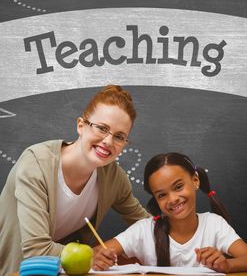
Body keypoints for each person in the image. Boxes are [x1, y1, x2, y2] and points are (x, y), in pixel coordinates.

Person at [0, 85, 149, 275]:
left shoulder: (114, 177)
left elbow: (144, 224)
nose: (108, 142)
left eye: (119, 137)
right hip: (14, 270)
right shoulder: (36, 164)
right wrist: (90, 255)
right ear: (81, 125)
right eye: (102, 128)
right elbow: (35, 249)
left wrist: (194, 240)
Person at [93, 152, 247, 273]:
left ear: (195, 180)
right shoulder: (144, 230)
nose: (172, 199)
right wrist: (97, 257)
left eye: (178, 187)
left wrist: (226, 264)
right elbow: (97, 252)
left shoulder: (214, 224)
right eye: (162, 195)